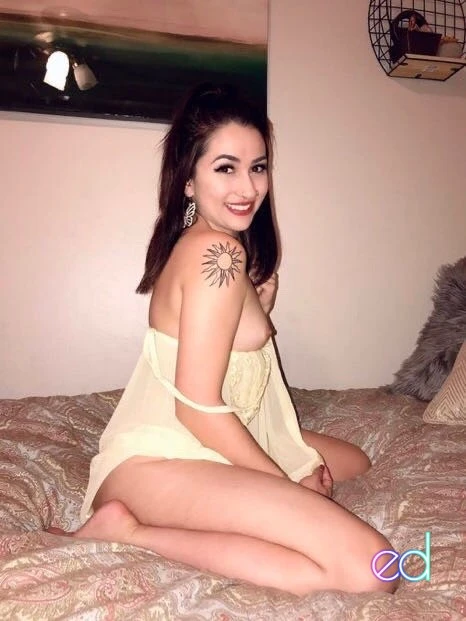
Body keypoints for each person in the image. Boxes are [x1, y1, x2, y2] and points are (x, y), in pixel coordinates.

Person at [65, 83, 398, 596]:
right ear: (188, 180)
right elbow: (197, 409)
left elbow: (218, 349)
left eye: (257, 167)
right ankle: (128, 532)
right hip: (166, 456)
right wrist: (283, 483)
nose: (248, 187)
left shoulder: (210, 248)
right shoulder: (219, 255)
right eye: (226, 167)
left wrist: (258, 311)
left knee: (356, 462)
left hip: (197, 439)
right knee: (376, 570)